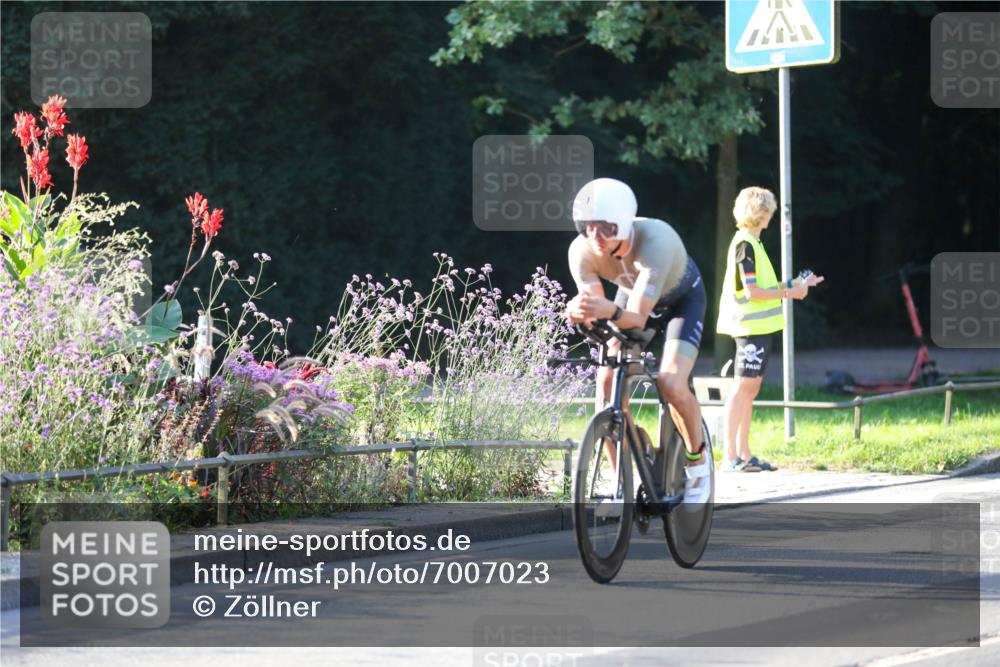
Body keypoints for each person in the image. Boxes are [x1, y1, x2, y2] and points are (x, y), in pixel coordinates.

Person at [564, 178, 711, 504]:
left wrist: (607, 310)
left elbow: (637, 319)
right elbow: (601, 314)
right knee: (606, 384)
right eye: (588, 227)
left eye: (605, 228)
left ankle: (697, 460)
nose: (595, 236)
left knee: (671, 383)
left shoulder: (656, 241)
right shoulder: (580, 252)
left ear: (624, 222)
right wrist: (581, 312)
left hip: (681, 303)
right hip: (631, 299)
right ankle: (623, 481)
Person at [716, 186, 825, 472]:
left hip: (759, 328)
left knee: (750, 389)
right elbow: (752, 292)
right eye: (769, 210)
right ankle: (730, 457)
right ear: (761, 212)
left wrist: (795, 284)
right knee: (742, 388)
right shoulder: (745, 245)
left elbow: (762, 287)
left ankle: (744, 454)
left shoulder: (753, 243)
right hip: (749, 327)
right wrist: (791, 294)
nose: (772, 215)